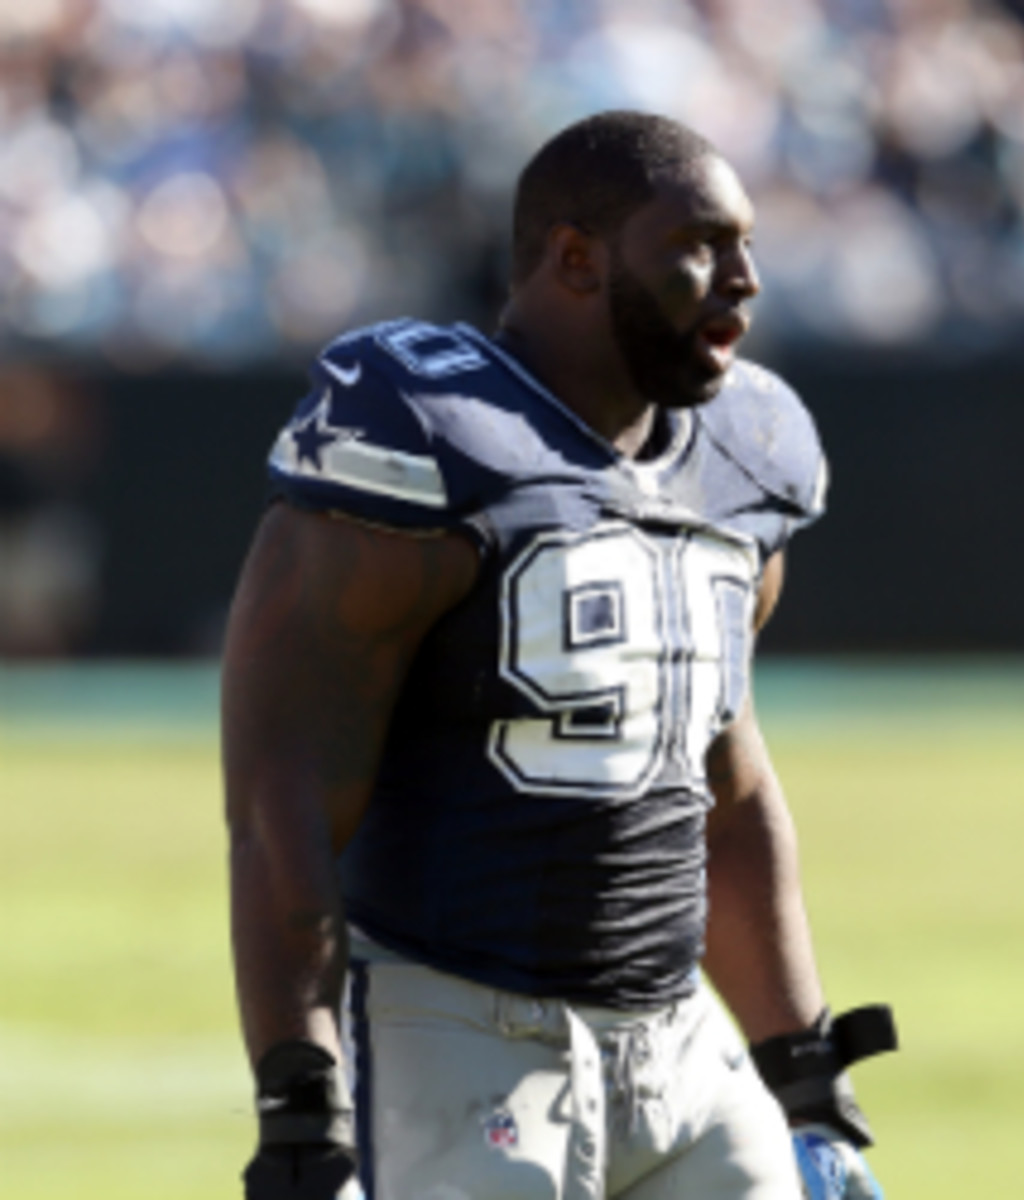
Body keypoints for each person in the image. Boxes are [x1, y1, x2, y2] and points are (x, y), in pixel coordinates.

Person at [223, 110, 897, 1200]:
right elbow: (280, 795)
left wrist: (806, 1076)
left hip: (677, 1041)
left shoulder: (745, 456)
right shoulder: (429, 430)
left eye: (748, 245)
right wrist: (301, 1103)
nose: (745, 279)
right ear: (575, 259)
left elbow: (722, 781)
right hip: (458, 1029)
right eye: (702, 244)